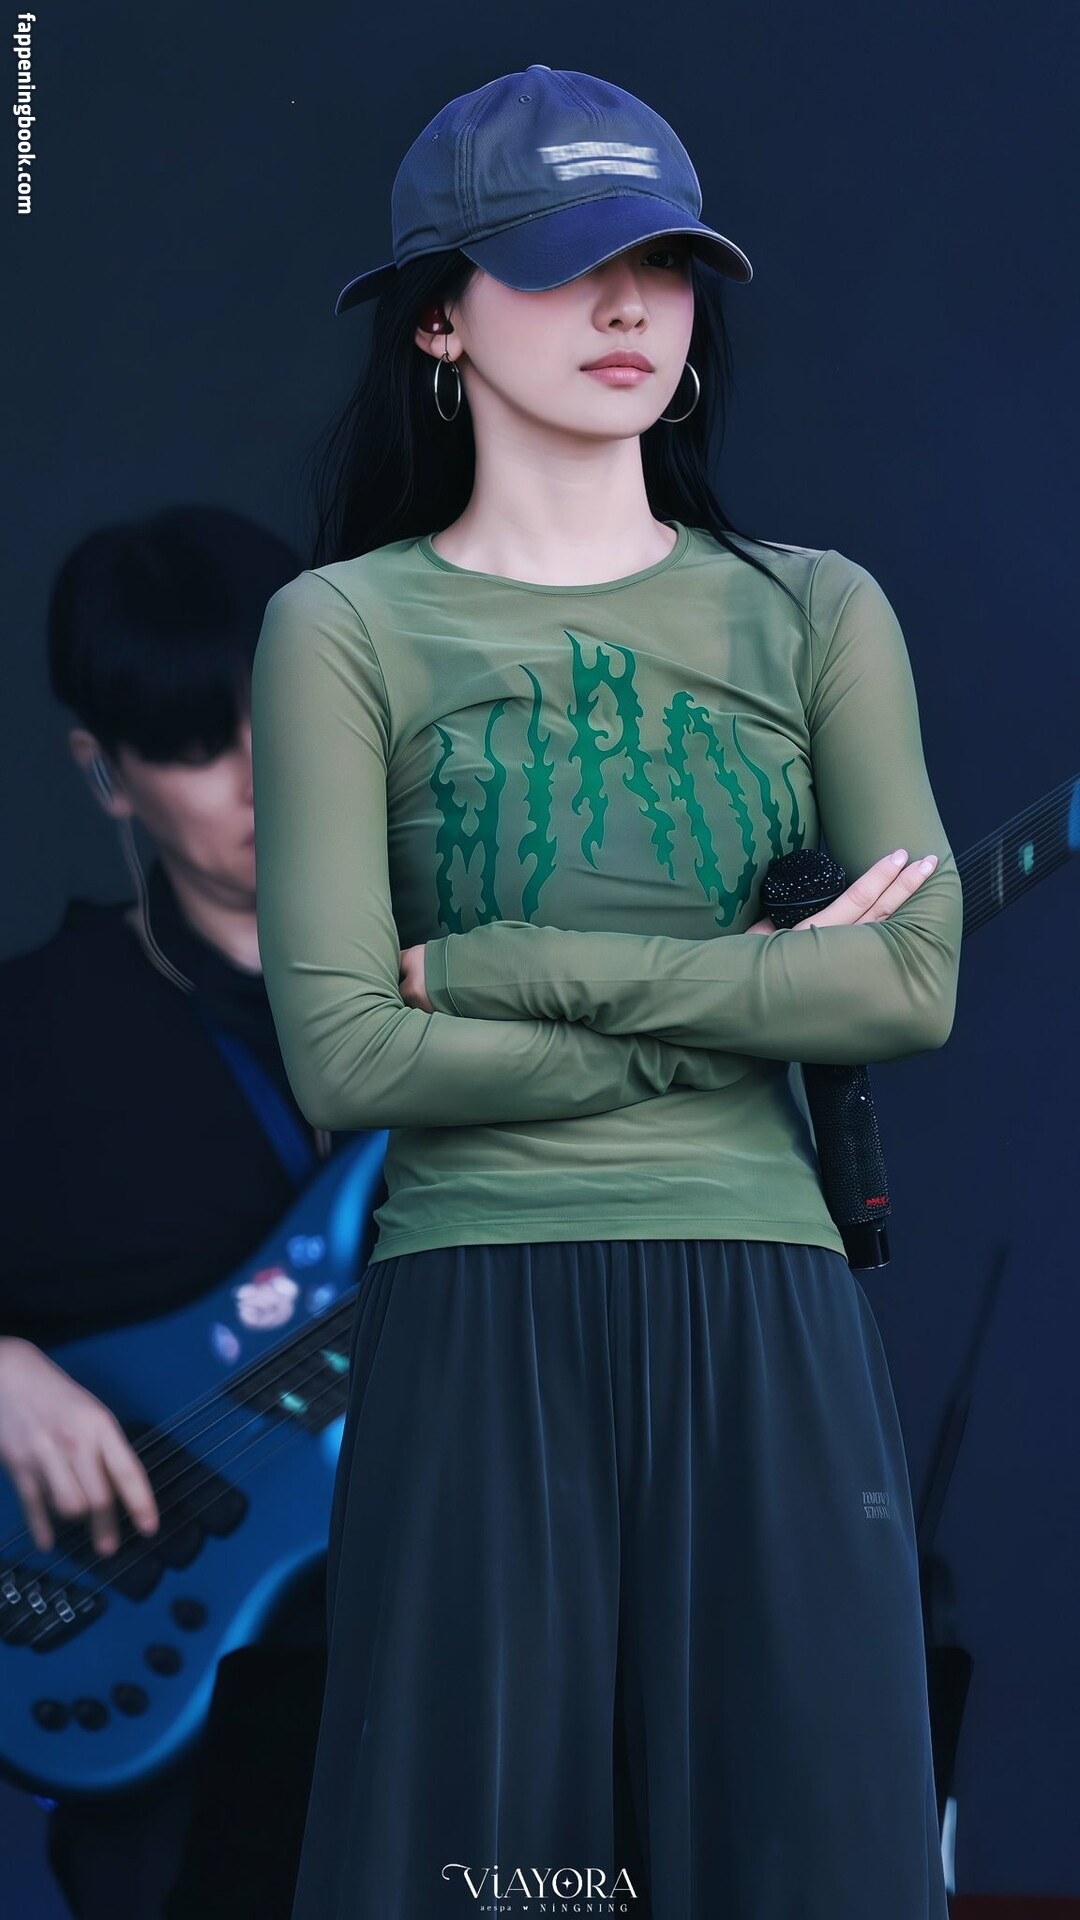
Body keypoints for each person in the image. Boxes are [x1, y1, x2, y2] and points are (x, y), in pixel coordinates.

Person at [249, 66, 962, 1920]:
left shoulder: (816, 612)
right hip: (478, 1312)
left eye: (661, 263)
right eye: (566, 267)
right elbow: (347, 1054)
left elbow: (907, 984)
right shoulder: (343, 628)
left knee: (818, 1867)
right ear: (438, 320)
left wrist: (509, 972)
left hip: (772, 1305)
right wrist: (747, 1003)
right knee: (481, 1877)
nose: (629, 306)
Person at [0, 505, 380, 1919]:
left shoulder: (483, 986)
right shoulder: (31, 1040)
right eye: (193, 743)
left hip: (481, 1677)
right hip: (190, 1791)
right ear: (107, 774)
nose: (263, 779)